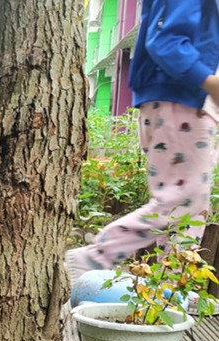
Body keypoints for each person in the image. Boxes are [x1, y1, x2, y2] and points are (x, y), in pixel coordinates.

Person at [66, 0, 219, 281]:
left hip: (178, 103)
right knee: (183, 199)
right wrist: (211, 84)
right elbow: (166, 43)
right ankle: (97, 255)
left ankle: (168, 289)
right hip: (181, 102)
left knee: (188, 207)